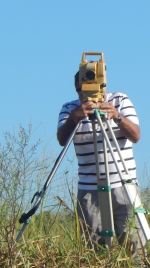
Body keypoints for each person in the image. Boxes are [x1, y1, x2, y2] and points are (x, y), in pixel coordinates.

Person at [56, 73, 141, 247]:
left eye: (97, 89)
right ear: (77, 89)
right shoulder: (69, 109)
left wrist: (117, 117)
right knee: (92, 246)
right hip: (89, 189)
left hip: (123, 184)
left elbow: (135, 135)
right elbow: (62, 140)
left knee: (133, 243)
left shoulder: (119, 100)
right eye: (84, 92)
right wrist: (74, 118)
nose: (92, 97)